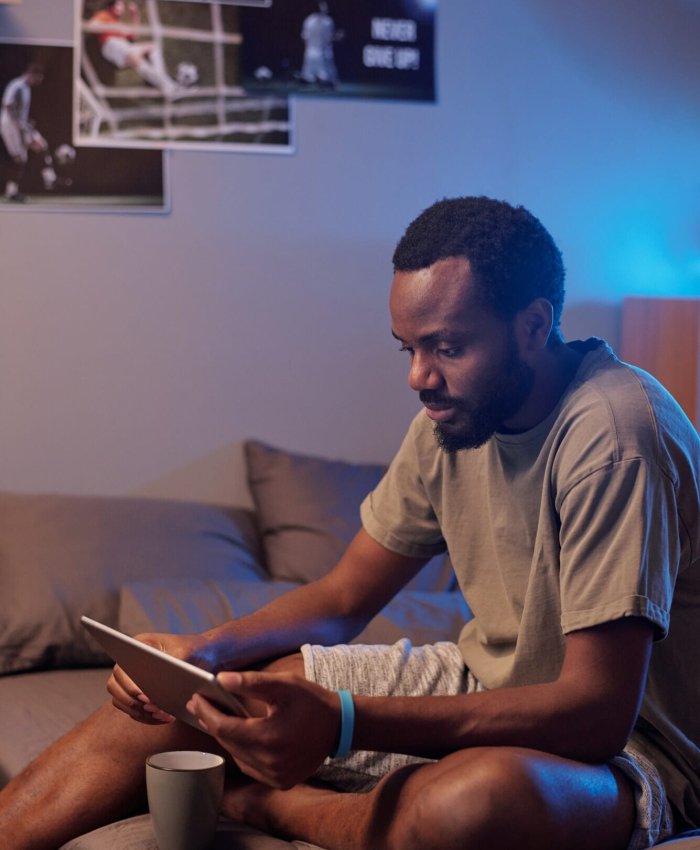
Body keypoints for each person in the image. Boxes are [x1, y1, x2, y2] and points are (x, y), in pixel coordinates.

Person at [0, 196, 698, 850]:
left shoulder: (614, 439)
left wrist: (341, 722)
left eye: (448, 347)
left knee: (474, 801)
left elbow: (597, 712)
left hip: (638, 748)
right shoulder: (451, 420)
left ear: (534, 325)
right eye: (409, 348)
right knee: (231, 693)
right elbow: (340, 600)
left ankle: (262, 802)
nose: (419, 377)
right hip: (490, 683)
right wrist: (202, 653)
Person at [87, 0, 178, 97]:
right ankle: (169, 86)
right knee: (135, 58)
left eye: (121, 5)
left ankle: (164, 84)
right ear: (110, 5)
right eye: (117, 4)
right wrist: (111, 27)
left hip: (124, 45)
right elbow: (90, 26)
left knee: (153, 47)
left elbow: (134, 36)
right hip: (111, 45)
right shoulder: (104, 15)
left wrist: (135, 15)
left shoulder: (119, 23)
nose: (120, 7)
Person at [0, 62, 47, 202]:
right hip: (10, 126)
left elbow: (20, 111)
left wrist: (25, 123)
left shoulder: (26, 88)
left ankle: (49, 178)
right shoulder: (17, 85)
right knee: (19, 158)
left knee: (41, 145)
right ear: (31, 74)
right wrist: (20, 124)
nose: (37, 82)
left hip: (20, 126)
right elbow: (8, 105)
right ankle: (11, 192)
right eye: (37, 78)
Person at [299, 1, 341, 87]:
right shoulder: (325, 22)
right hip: (316, 55)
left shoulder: (311, 20)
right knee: (318, 78)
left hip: (318, 54)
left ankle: (319, 79)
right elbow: (329, 38)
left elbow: (304, 37)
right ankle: (318, 79)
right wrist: (337, 37)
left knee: (325, 77)